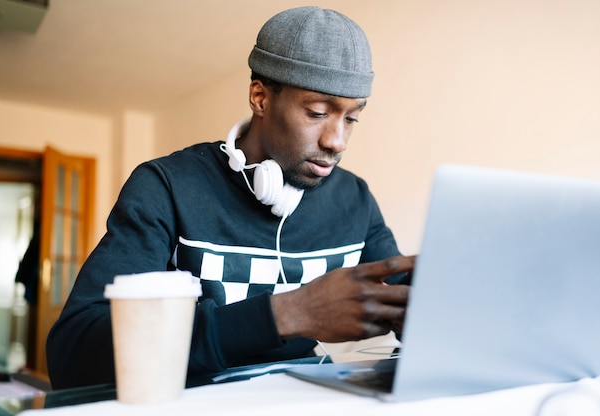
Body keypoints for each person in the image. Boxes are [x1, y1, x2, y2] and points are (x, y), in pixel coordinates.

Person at [46, 6, 415, 390]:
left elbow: (409, 303)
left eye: (351, 118)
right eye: (317, 112)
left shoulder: (354, 199)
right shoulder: (167, 187)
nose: (336, 140)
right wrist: (287, 314)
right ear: (260, 97)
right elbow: (73, 352)